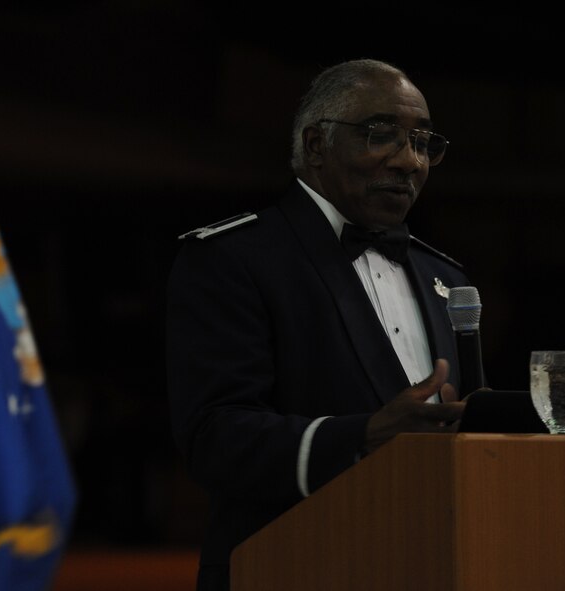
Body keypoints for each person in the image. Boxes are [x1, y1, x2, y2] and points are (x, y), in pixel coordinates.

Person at [166, 58, 475, 591]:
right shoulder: (234, 257)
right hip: (286, 567)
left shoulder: (444, 276)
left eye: (423, 142)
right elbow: (214, 438)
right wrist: (360, 435)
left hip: (428, 564)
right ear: (315, 145)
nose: (409, 161)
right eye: (382, 135)